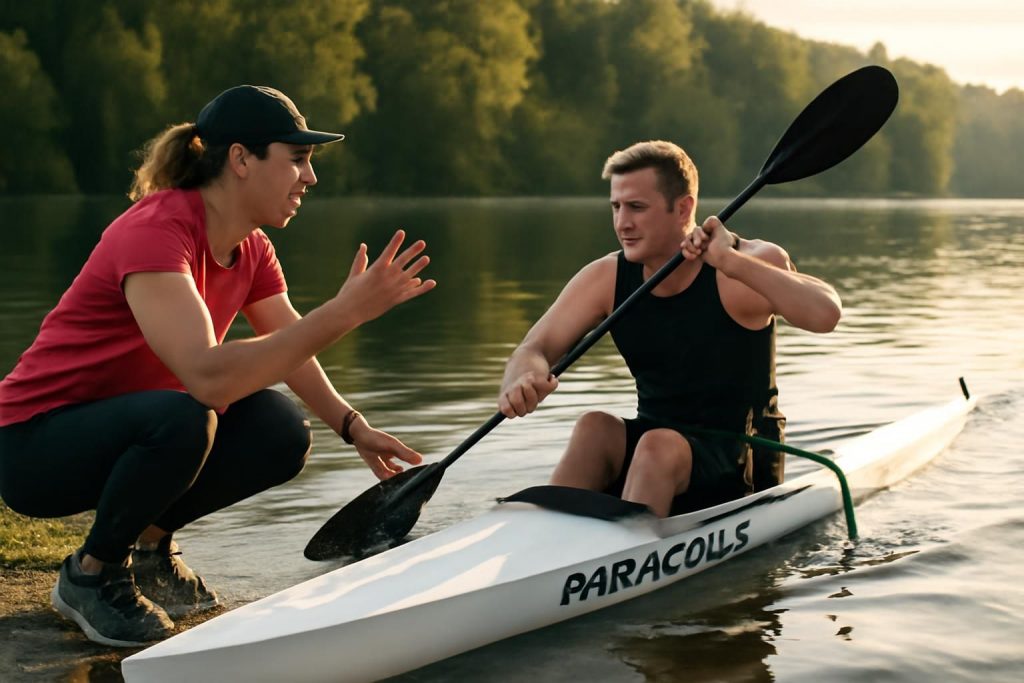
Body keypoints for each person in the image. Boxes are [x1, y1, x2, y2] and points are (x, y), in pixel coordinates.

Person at [0, 85, 435, 646]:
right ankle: (91, 573)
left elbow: (287, 343)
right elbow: (206, 374)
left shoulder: (251, 248)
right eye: (297, 159)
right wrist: (344, 311)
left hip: (130, 430)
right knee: (189, 416)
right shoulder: (156, 230)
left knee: (278, 430)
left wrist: (352, 426)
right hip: (34, 447)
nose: (310, 177)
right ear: (240, 160)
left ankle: (150, 549)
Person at [497, 140, 841, 518]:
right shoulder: (605, 278)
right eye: (616, 206)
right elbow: (534, 348)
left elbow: (826, 314)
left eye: (637, 208)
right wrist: (523, 377)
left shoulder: (745, 265)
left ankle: (621, 552)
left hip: (740, 460)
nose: (622, 222)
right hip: (657, 454)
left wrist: (728, 261)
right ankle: (537, 540)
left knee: (658, 446)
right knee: (594, 428)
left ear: (683, 208)